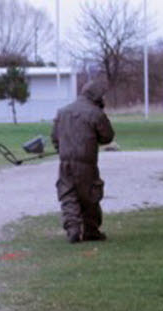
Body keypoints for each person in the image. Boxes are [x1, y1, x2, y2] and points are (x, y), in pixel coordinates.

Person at [50, 79, 114, 243]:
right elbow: (107, 136)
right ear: (97, 96)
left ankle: (73, 228)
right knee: (90, 195)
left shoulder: (63, 112)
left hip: (65, 162)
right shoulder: (95, 113)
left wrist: (62, 150)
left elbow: (54, 137)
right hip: (86, 162)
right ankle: (91, 230)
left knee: (68, 194)